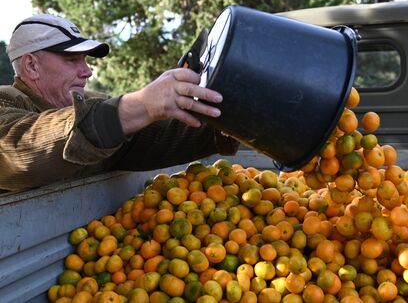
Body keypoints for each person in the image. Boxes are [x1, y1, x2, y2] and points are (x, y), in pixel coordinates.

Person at [0, 14, 238, 191]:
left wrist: (238, 118)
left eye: (85, 60)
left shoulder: (87, 103)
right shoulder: (5, 101)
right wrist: (142, 104)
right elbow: (20, 148)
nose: (87, 71)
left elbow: (157, 136)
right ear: (31, 66)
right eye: (72, 60)